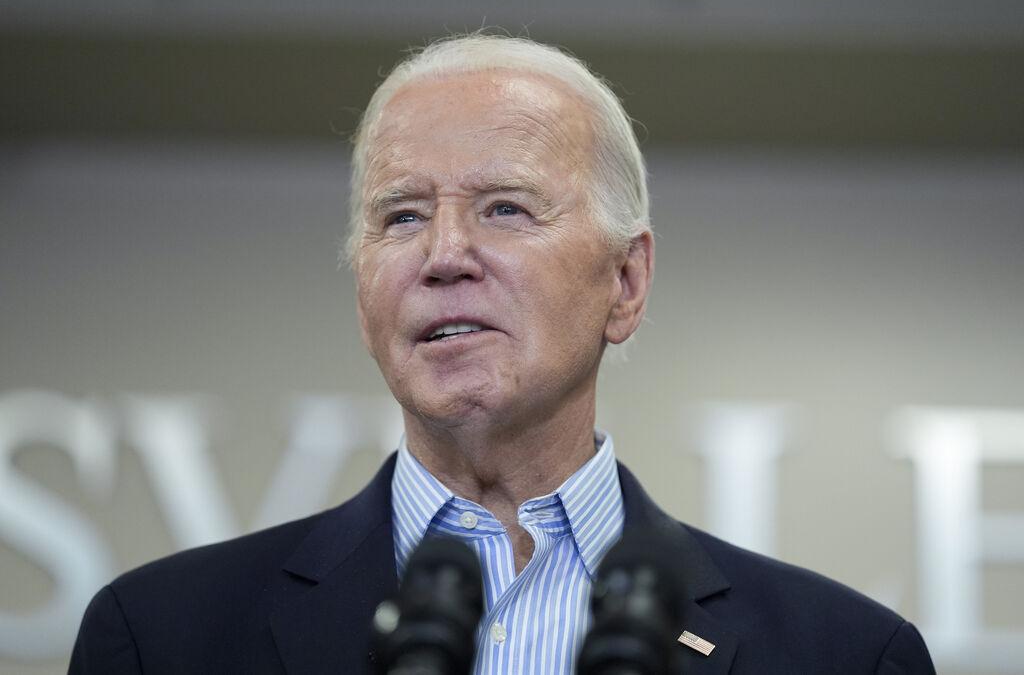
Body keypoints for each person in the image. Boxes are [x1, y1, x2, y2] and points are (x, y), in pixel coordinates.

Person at [69, 34, 935, 674]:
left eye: (505, 209)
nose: (443, 254)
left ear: (626, 282)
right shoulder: (161, 637)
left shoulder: (845, 654)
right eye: (401, 215)